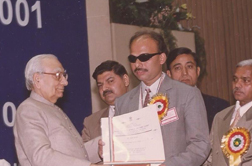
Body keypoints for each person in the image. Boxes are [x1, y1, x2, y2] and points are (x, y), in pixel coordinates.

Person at [115, 31, 210, 166]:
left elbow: (200, 145)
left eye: (144, 57)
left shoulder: (187, 94)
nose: (137, 64)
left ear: (161, 58)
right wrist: (111, 150)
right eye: (133, 59)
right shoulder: (122, 103)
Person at [14, 54, 101, 166]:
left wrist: (105, 143)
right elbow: (41, 157)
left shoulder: (53, 109)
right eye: (57, 75)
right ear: (37, 79)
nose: (65, 82)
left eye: (64, 76)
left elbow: (79, 155)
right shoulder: (28, 109)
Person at [166, 47, 229, 129]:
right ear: (169, 74)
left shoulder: (220, 107)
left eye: (189, 66)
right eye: (178, 68)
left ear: (197, 71)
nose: (185, 73)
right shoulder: (162, 109)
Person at [204, 59, 252, 166]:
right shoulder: (220, 116)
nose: (237, 85)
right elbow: (209, 157)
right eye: (235, 79)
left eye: (245, 80)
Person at [82, 60, 129, 142]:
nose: (104, 88)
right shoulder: (90, 122)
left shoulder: (142, 108)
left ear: (125, 80)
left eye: (110, 81)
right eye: (100, 85)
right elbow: (85, 153)